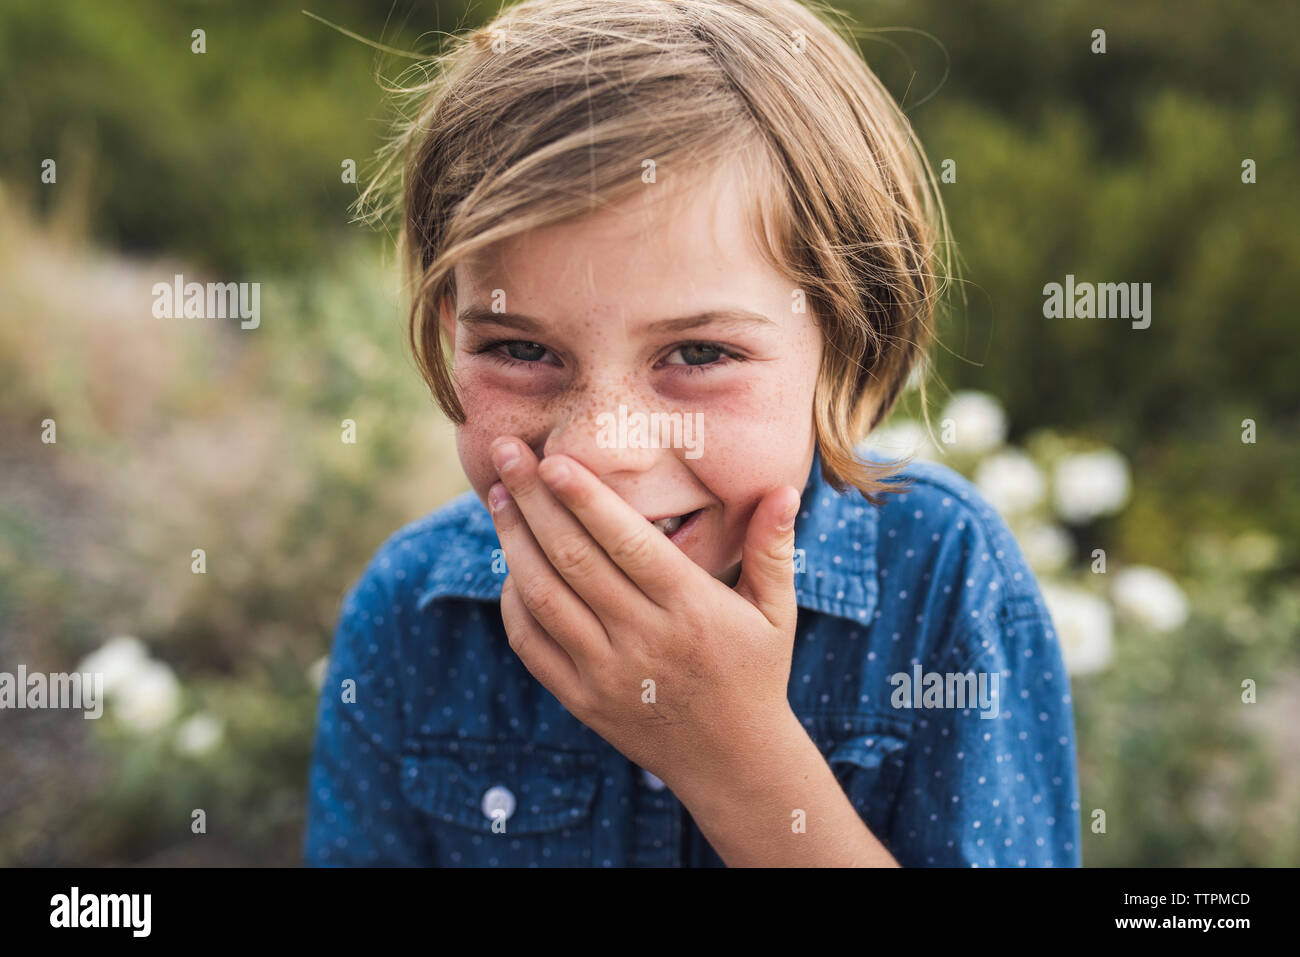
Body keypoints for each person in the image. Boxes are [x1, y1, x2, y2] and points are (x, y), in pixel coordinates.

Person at [304, 0, 1080, 867]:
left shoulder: (943, 581)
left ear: (847, 339)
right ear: (451, 329)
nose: (600, 447)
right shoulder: (413, 614)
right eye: (521, 349)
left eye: (699, 352)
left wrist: (735, 758)